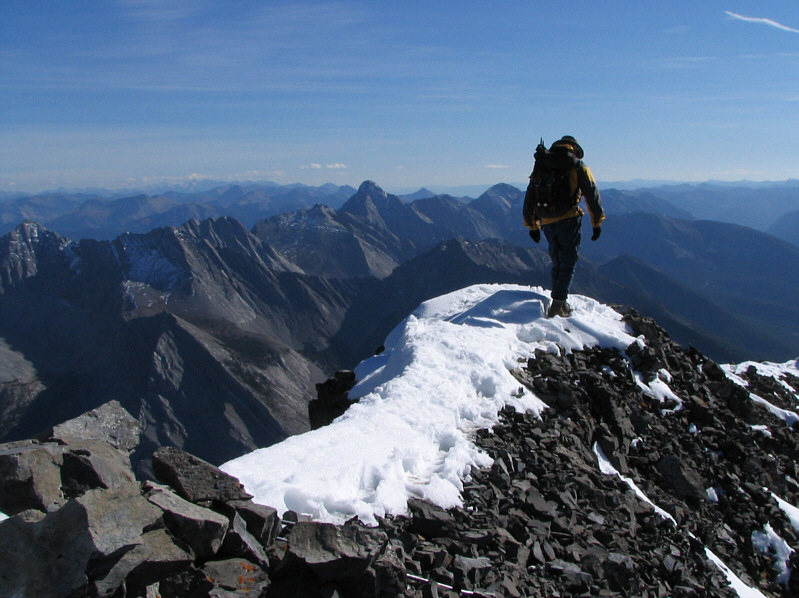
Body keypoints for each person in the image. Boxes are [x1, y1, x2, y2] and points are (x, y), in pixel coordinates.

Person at [523, 135, 604, 318]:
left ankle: (558, 299)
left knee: (557, 260)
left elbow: (530, 196)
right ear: (573, 149)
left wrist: (532, 225)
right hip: (569, 219)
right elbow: (592, 194)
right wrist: (596, 221)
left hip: (546, 221)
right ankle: (559, 304)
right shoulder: (577, 166)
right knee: (568, 261)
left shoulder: (542, 165)